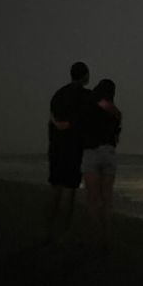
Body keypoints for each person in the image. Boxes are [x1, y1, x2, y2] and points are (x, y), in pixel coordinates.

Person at [45, 61, 93, 243]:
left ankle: (49, 231)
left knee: (56, 188)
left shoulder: (58, 95)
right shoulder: (87, 97)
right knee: (70, 191)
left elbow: (52, 121)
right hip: (74, 149)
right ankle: (64, 231)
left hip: (56, 147)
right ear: (85, 75)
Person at [80, 79, 122, 252]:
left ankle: (94, 237)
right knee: (107, 199)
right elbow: (116, 138)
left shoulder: (88, 106)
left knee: (92, 199)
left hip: (91, 152)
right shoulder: (116, 112)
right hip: (109, 153)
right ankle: (106, 238)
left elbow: (81, 128)